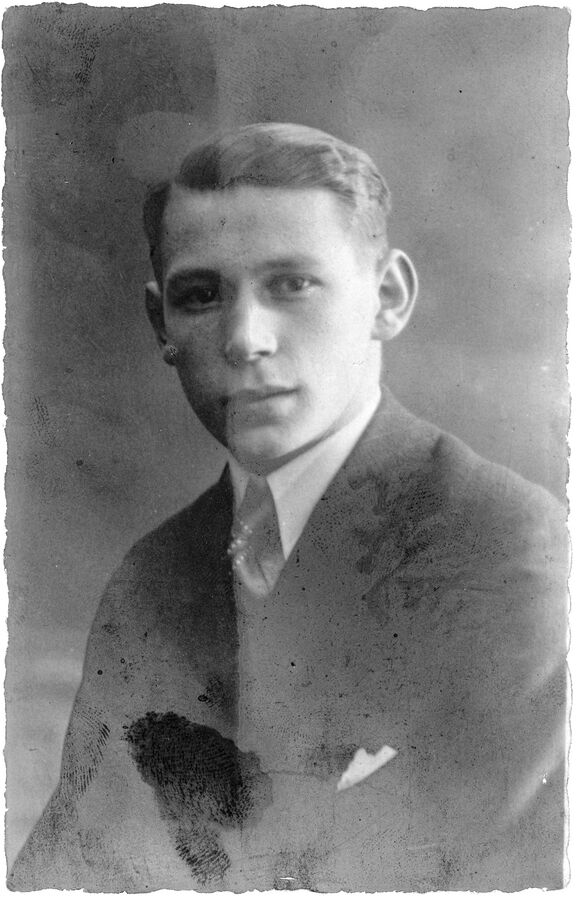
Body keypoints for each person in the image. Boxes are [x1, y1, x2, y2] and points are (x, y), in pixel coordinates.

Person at [9, 123, 567, 891]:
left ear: (388, 297)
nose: (245, 339)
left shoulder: (510, 550)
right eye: (201, 296)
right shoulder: (151, 578)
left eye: (292, 284)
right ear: (161, 324)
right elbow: (63, 873)